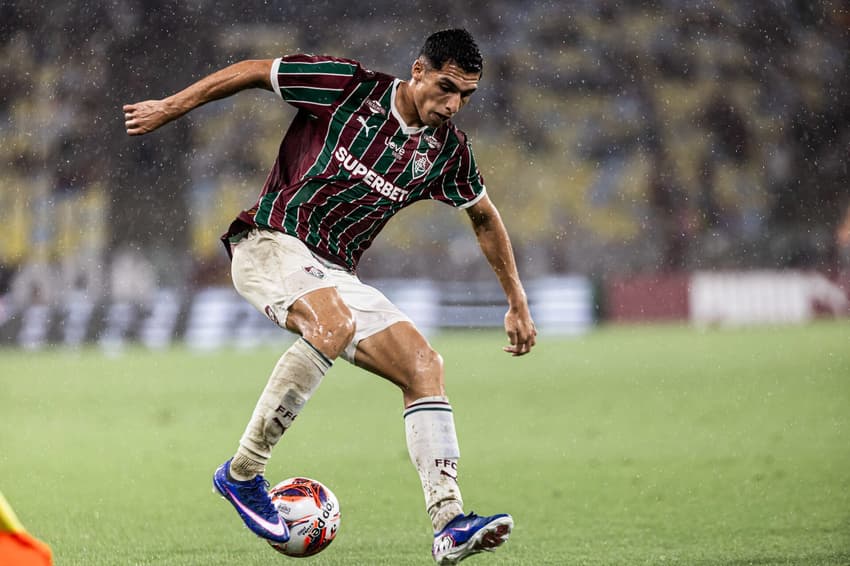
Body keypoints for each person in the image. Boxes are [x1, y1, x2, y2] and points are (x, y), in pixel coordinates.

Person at [123, 29, 536, 564]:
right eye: (445, 86)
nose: (453, 104)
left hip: (332, 274)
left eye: (465, 96)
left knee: (423, 365)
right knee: (334, 323)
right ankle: (243, 473)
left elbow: (483, 216)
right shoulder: (348, 89)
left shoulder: (446, 151)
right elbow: (254, 70)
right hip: (269, 241)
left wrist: (517, 300)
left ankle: (449, 521)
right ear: (418, 70)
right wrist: (170, 108)